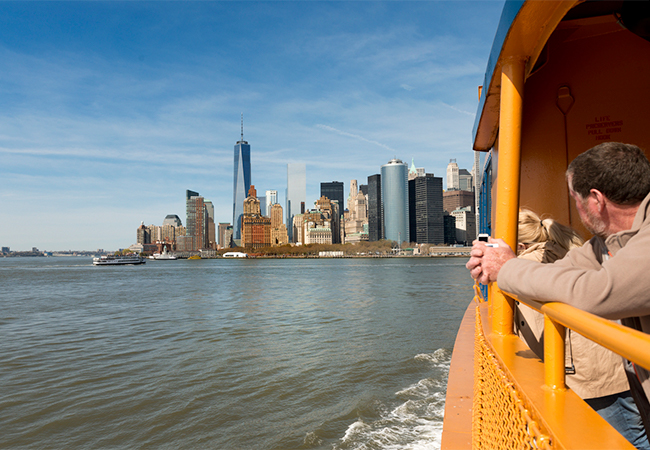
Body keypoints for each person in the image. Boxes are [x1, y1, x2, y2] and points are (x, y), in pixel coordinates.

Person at [466, 142, 650, 448]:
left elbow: (597, 292)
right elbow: (567, 269)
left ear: (595, 200)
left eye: (575, 200)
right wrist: (500, 264)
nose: (576, 209)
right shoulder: (608, 242)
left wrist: (507, 268)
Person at [515, 209, 643, 447]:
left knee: (628, 439)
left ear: (521, 246)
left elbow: (531, 330)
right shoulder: (573, 250)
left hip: (588, 373)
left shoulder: (530, 264)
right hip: (613, 361)